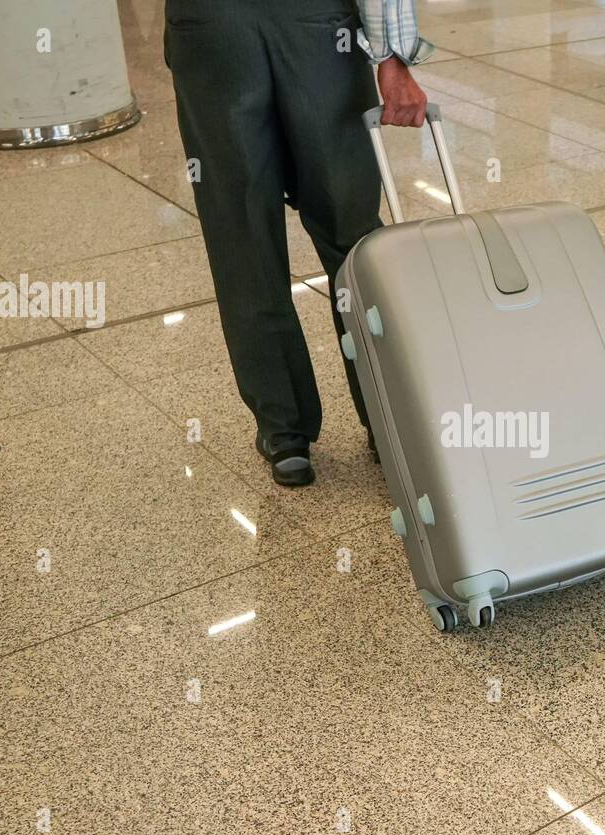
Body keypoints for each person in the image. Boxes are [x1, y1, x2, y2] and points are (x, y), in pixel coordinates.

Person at [164, 0, 431, 486]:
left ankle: (284, 432)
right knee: (350, 234)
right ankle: (386, 417)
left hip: (208, 29)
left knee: (240, 232)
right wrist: (393, 56)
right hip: (315, 30)